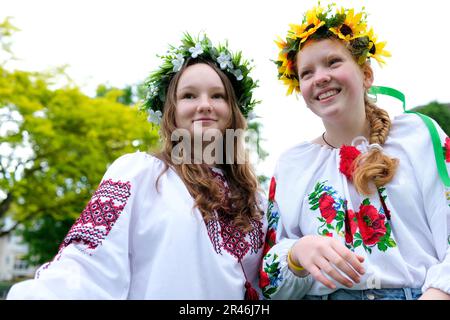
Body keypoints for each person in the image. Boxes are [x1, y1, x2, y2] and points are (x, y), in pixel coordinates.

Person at [7, 33, 267, 299]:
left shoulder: (257, 199)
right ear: (171, 112)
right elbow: (88, 261)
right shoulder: (140, 174)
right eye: (189, 95)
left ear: (233, 110)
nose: (204, 105)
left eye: (218, 95)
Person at [259, 3, 450, 300]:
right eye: (306, 73)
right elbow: (269, 285)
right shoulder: (292, 165)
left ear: (366, 74)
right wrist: (296, 254)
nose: (320, 77)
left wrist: (440, 292)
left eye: (333, 62)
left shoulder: (420, 136)